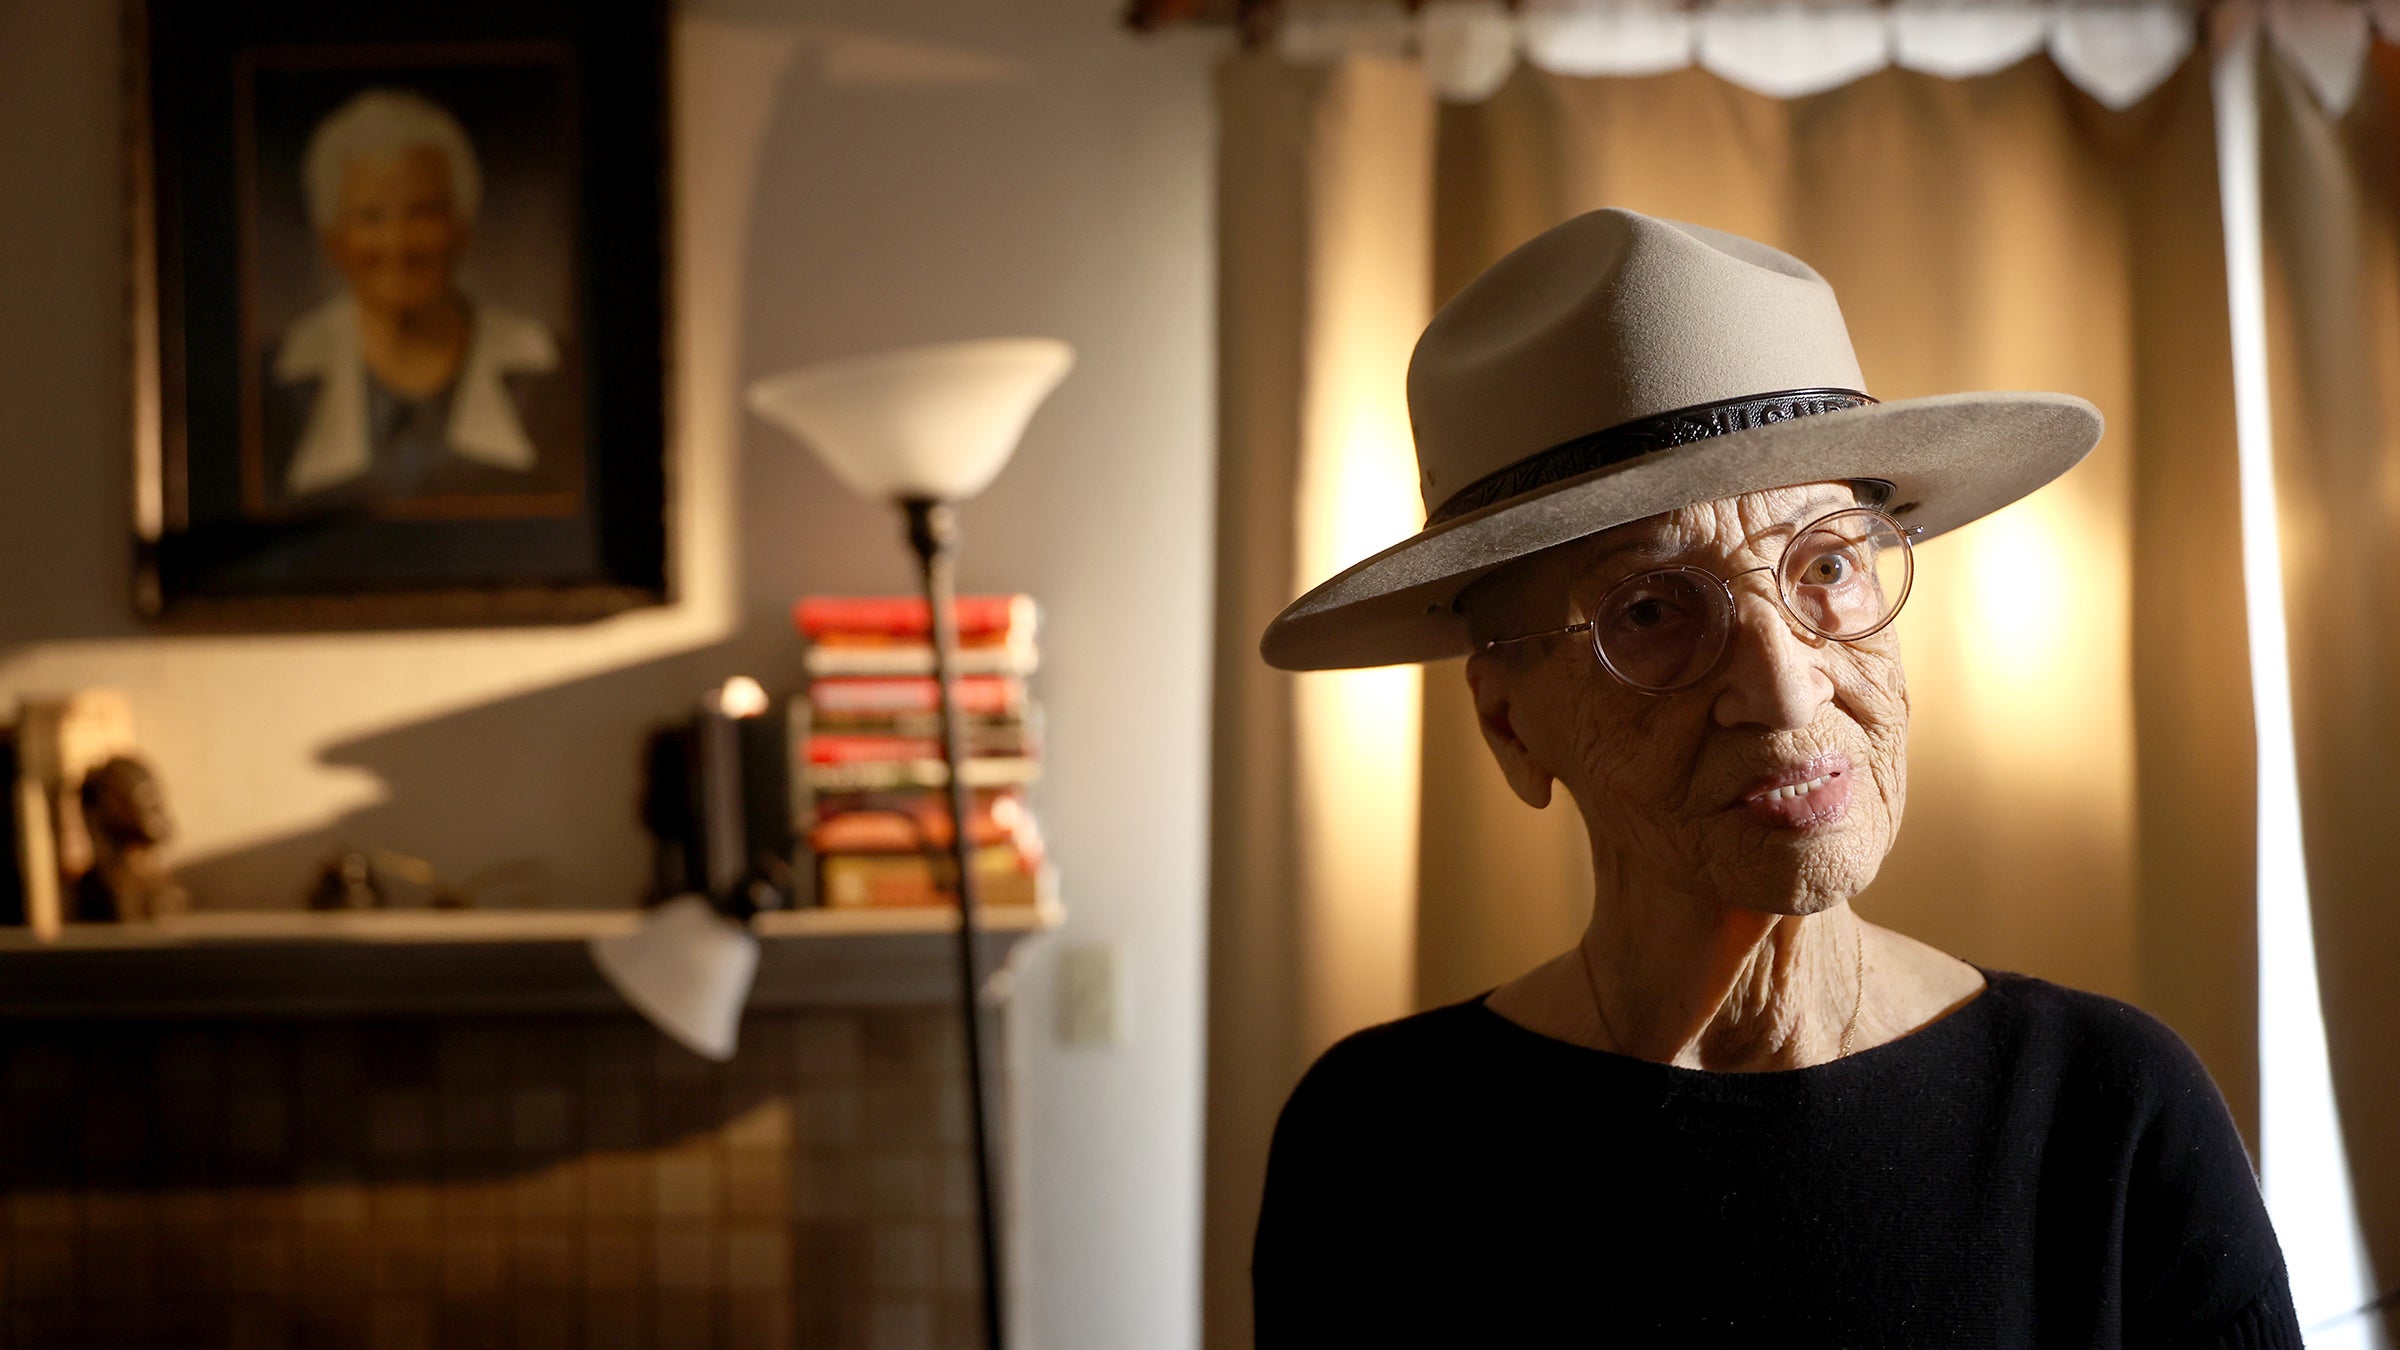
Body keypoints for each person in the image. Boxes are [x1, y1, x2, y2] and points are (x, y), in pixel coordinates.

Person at [1250, 209, 2298, 1345]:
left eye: (1830, 565)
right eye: (1649, 612)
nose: (1789, 692)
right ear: (1510, 725)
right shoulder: (1379, 1141)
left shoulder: (2109, 1113)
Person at [264, 87, 573, 508]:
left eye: (423, 212)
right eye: (371, 217)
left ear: (463, 228)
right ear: (332, 240)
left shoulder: (558, 382)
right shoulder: (270, 388)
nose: (398, 244)